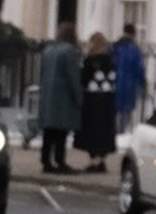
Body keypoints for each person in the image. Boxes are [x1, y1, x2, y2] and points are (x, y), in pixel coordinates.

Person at [36, 29, 82, 174]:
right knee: (61, 132)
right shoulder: (69, 52)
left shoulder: (48, 51)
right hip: (63, 97)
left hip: (48, 96)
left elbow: (42, 73)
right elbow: (73, 77)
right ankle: (60, 161)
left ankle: (46, 161)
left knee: (48, 131)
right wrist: (79, 97)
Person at [76, 30, 120, 171]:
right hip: (108, 99)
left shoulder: (90, 61)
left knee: (92, 130)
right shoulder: (111, 60)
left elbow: (84, 80)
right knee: (105, 131)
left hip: (93, 100)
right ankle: (102, 159)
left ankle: (94, 160)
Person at [109, 22, 147, 146]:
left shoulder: (115, 47)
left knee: (115, 111)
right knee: (126, 112)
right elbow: (139, 69)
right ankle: (121, 135)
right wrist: (142, 84)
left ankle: (113, 133)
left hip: (115, 83)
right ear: (133, 34)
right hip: (129, 85)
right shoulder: (134, 49)